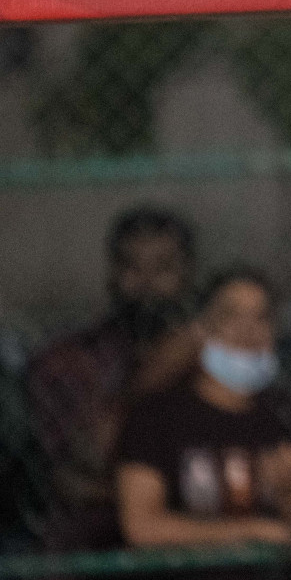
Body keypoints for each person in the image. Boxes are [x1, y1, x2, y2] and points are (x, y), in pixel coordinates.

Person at [116, 267, 291, 580]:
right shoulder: (157, 416)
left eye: (260, 317)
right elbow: (142, 527)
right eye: (231, 315)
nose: (248, 331)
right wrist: (252, 532)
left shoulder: (281, 416)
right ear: (202, 328)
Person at [27, 206, 200, 549]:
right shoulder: (70, 360)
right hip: (96, 535)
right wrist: (150, 378)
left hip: (190, 531)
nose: (147, 284)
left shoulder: (210, 359)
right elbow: (72, 475)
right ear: (112, 273)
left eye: (163, 268)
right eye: (133, 268)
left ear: (187, 275)